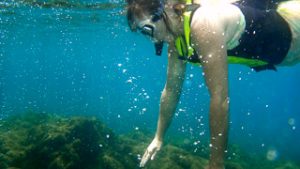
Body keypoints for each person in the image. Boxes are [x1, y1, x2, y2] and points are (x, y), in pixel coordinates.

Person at [125, 0, 300, 168]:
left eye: (147, 30)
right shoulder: (177, 38)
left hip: (294, 26)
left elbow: (220, 99)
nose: (152, 39)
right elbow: (171, 90)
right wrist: (159, 137)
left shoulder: (203, 23)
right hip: (285, 49)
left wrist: (216, 163)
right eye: (143, 33)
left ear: (164, 12)